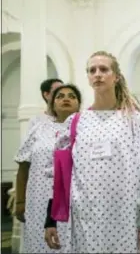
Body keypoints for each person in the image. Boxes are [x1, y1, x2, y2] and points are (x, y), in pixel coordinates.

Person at [43, 51, 140, 253]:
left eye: (104, 69)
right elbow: (61, 176)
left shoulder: (134, 120)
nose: (97, 74)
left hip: (126, 213)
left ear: (116, 76)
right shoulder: (76, 122)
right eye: (92, 70)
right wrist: (51, 220)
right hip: (84, 215)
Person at [15, 84, 82, 253]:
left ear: (79, 104)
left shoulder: (86, 129)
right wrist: (20, 201)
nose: (66, 98)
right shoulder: (39, 129)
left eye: (72, 96)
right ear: (52, 104)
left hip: (72, 200)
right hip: (38, 198)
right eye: (60, 96)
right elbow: (23, 166)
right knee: (40, 243)